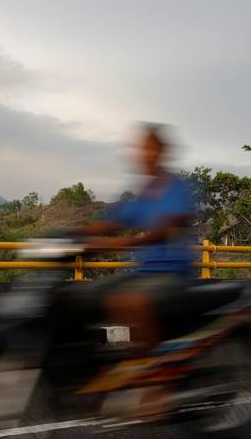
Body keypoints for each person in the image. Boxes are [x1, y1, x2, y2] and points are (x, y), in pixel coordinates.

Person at [76, 122, 195, 357]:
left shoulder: (176, 187)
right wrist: (76, 235)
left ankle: (156, 372)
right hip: (142, 273)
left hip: (172, 274)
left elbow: (169, 226)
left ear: (162, 152)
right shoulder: (144, 193)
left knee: (130, 301)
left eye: (149, 148)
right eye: (141, 148)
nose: (144, 154)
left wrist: (127, 242)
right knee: (82, 295)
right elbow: (114, 220)